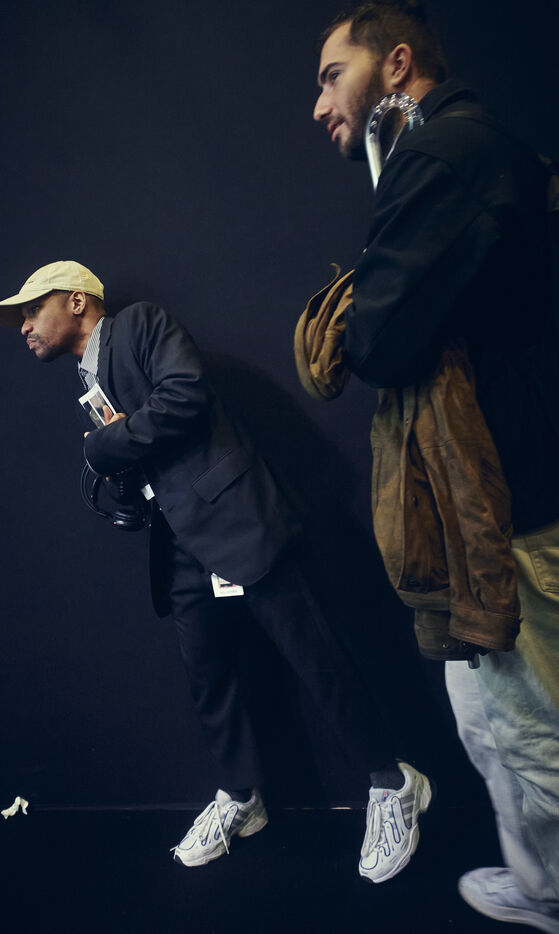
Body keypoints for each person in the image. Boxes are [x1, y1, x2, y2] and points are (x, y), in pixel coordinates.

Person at [0, 259, 432, 879]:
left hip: (237, 520)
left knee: (315, 657)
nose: (24, 327)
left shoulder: (140, 324)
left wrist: (105, 445)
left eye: (33, 310)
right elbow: (142, 456)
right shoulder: (87, 382)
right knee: (210, 680)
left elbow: (187, 395)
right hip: (179, 545)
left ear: (77, 301)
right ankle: (241, 798)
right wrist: (119, 475)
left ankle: (392, 783)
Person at [312, 1, 559, 929]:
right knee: (487, 725)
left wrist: (358, 311)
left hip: (508, 502)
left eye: (331, 76)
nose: (318, 105)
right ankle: (538, 883)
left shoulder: (446, 153)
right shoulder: (446, 151)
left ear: (395, 65)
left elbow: (375, 342)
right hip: (480, 506)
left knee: (531, 729)